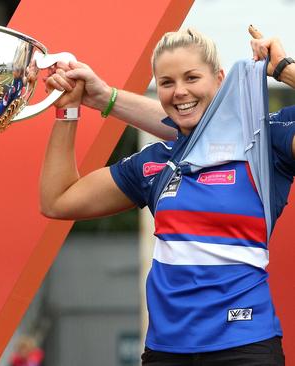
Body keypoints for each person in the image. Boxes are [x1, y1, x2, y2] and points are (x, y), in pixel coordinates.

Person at [41, 26, 294, 365]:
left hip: (245, 347)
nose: (180, 92)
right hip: (166, 352)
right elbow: (58, 200)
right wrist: (69, 110)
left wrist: (284, 69)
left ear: (220, 79)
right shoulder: (156, 162)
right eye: (167, 83)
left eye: (192, 78)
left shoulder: (266, 142)